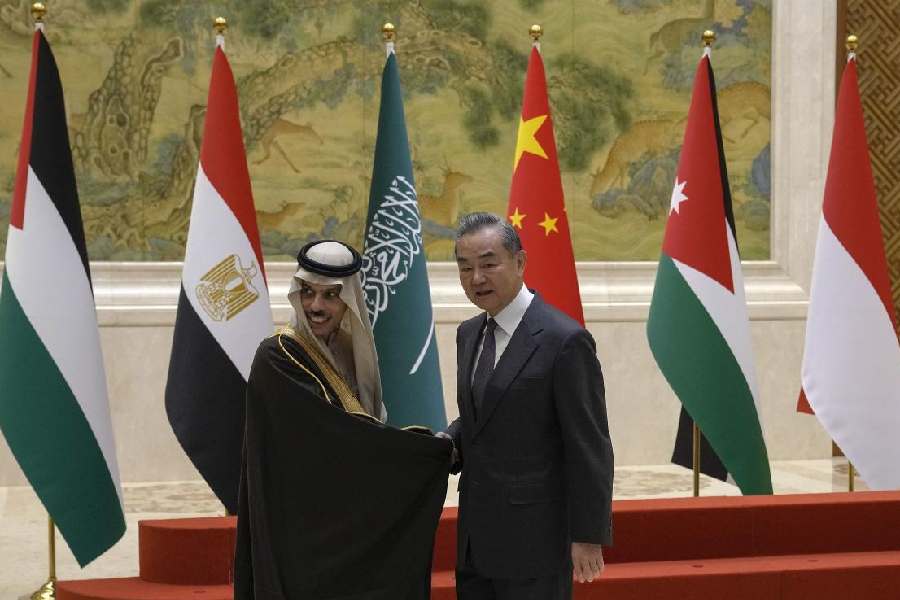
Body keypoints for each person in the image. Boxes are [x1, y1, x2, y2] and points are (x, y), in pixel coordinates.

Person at [234, 239, 451, 600]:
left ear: (348, 300)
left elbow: (362, 435)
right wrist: (423, 451)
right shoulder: (277, 357)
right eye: (307, 292)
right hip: (301, 534)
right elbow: (339, 439)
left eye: (330, 296)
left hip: (345, 522)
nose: (316, 306)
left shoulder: (350, 351)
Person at [444, 212, 614, 600]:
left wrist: (587, 535)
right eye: (465, 267)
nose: (477, 279)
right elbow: (481, 418)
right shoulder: (468, 334)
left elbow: (589, 444)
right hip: (475, 540)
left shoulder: (564, 340)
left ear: (519, 262)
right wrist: (441, 443)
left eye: (488, 264)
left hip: (536, 543)